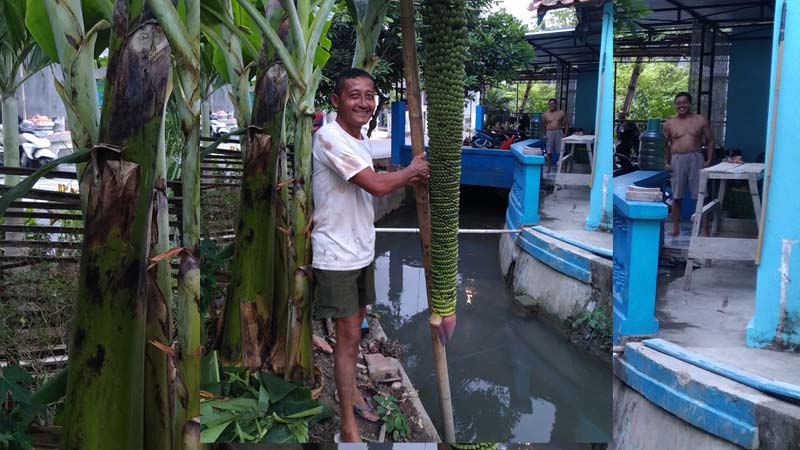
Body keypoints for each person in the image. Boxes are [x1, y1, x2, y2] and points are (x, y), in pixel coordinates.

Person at [311, 68, 429, 443]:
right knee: (348, 336)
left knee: (355, 332)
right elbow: (376, 186)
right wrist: (411, 170)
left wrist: (405, 173)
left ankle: (349, 393)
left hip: (360, 249)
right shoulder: (329, 138)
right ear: (336, 101)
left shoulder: (359, 138)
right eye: (354, 95)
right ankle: (348, 426)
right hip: (337, 255)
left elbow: (370, 179)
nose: (364, 102)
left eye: (369, 95)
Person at [662, 92, 715, 236]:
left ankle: (704, 229)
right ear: (675, 105)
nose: (681, 106)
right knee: (676, 196)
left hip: (696, 158)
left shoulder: (700, 120)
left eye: (684, 102)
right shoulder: (669, 124)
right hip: (677, 159)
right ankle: (675, 228)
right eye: (678, 103)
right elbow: (664, 145)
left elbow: (710, 141)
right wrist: (666, 162)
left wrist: (708, 160)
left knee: (701, 195)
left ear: (690, 104)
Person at [542, 98, 569, 173]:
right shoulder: (545, 114)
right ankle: (548, 168)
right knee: (549, 151)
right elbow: (543, 125)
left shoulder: (561, 113)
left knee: (561, 150)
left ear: (556, 104)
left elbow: (566, 124)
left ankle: (562, 168)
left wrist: (565, 134)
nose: (551, 105)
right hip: (549, 133)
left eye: (553, 103)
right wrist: (544, 134)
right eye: (550, 104)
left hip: (559, 132)